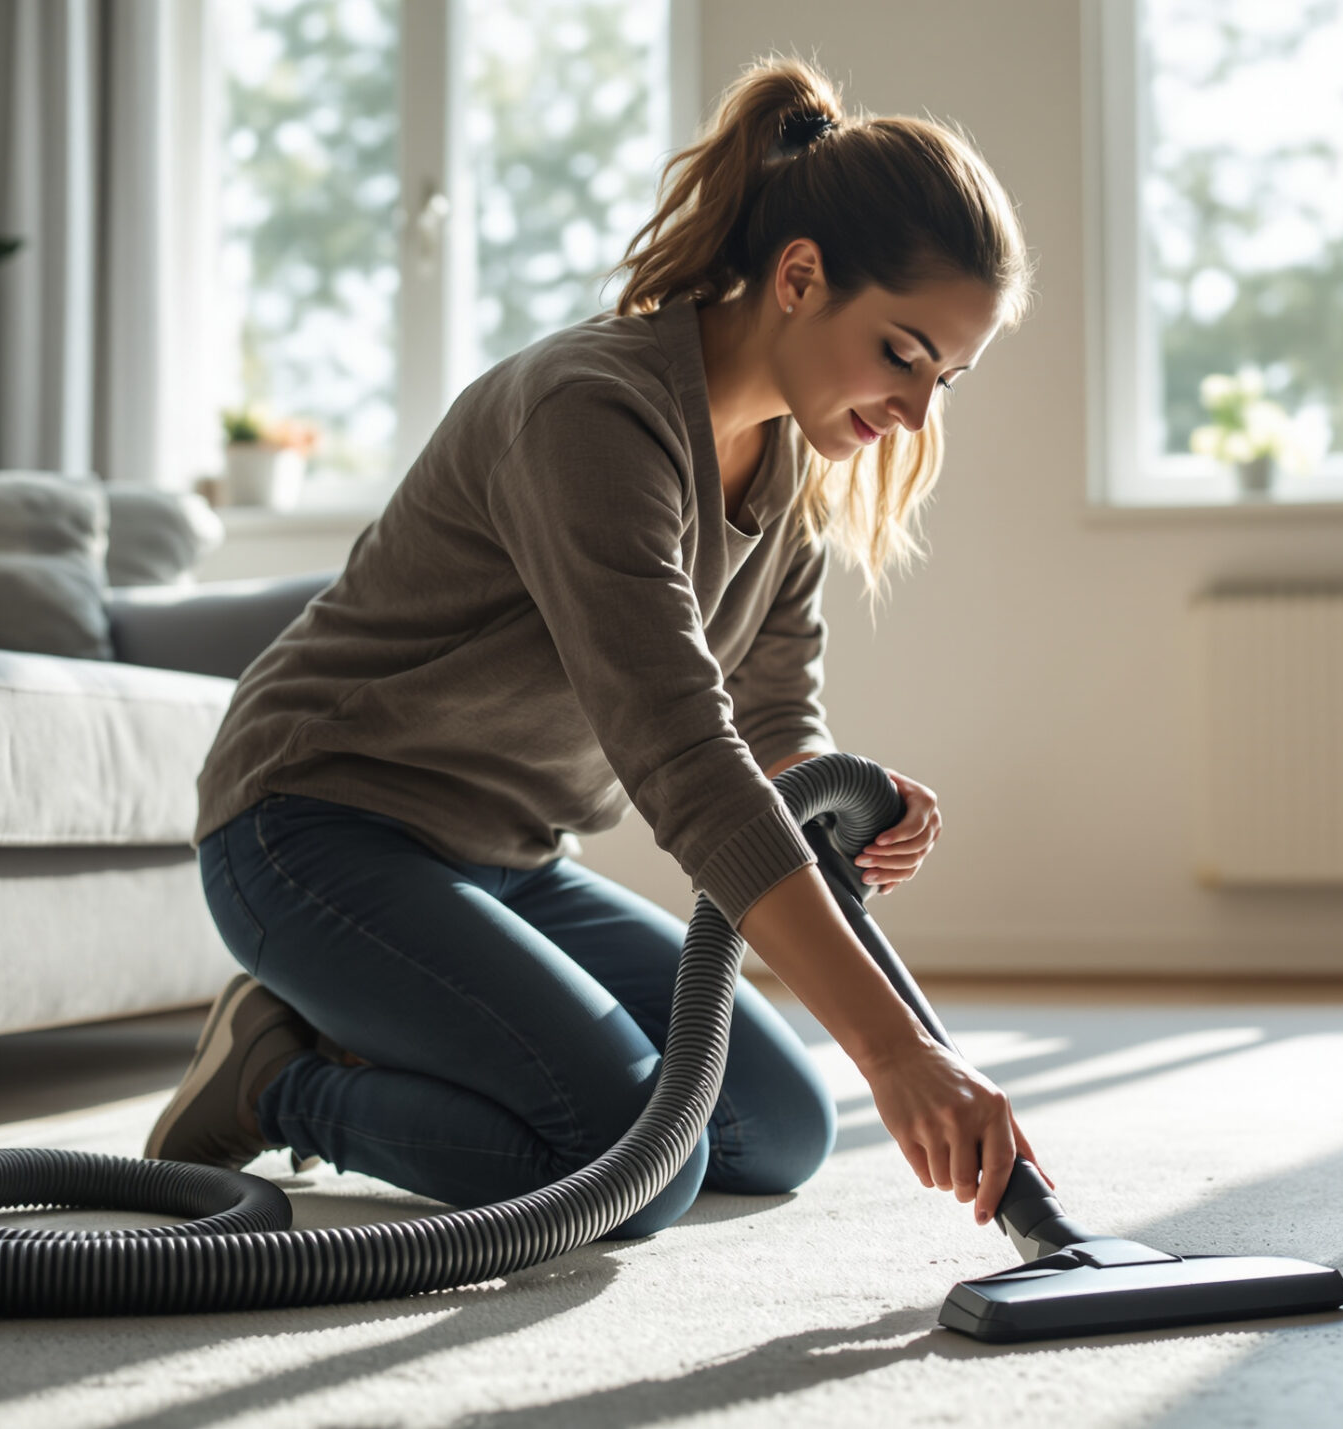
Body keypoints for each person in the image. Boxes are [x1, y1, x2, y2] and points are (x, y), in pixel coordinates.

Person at [146, 55, 1046, 1239]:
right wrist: (894, 1052)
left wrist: (835, 802)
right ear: (798, 276)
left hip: (507, 859)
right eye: (904, 352)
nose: (918, 412)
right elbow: (682, 752)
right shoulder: (593, 414)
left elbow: (774, 725)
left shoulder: (790, 466)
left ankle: (357, 1022)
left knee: (777, 1130)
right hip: (311, 825)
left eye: (949, 376)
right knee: (631, 1168)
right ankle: (275, 1077)